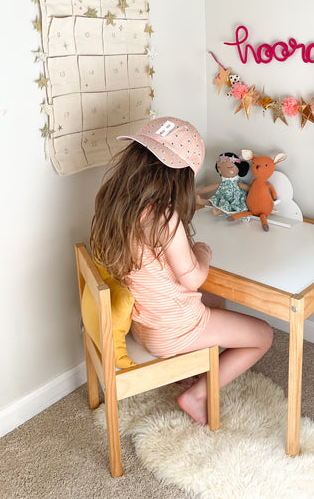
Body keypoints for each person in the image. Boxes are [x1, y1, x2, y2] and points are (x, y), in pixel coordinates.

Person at [90, 116, 273, 425]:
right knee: (263, 335)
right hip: (171, 331)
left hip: (144, 324)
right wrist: (201, 253)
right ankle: (197, 394)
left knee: (213, 299)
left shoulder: (115, 202)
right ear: (180, 176)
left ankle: (193, 368)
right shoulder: (164, 217)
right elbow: (193, 278)